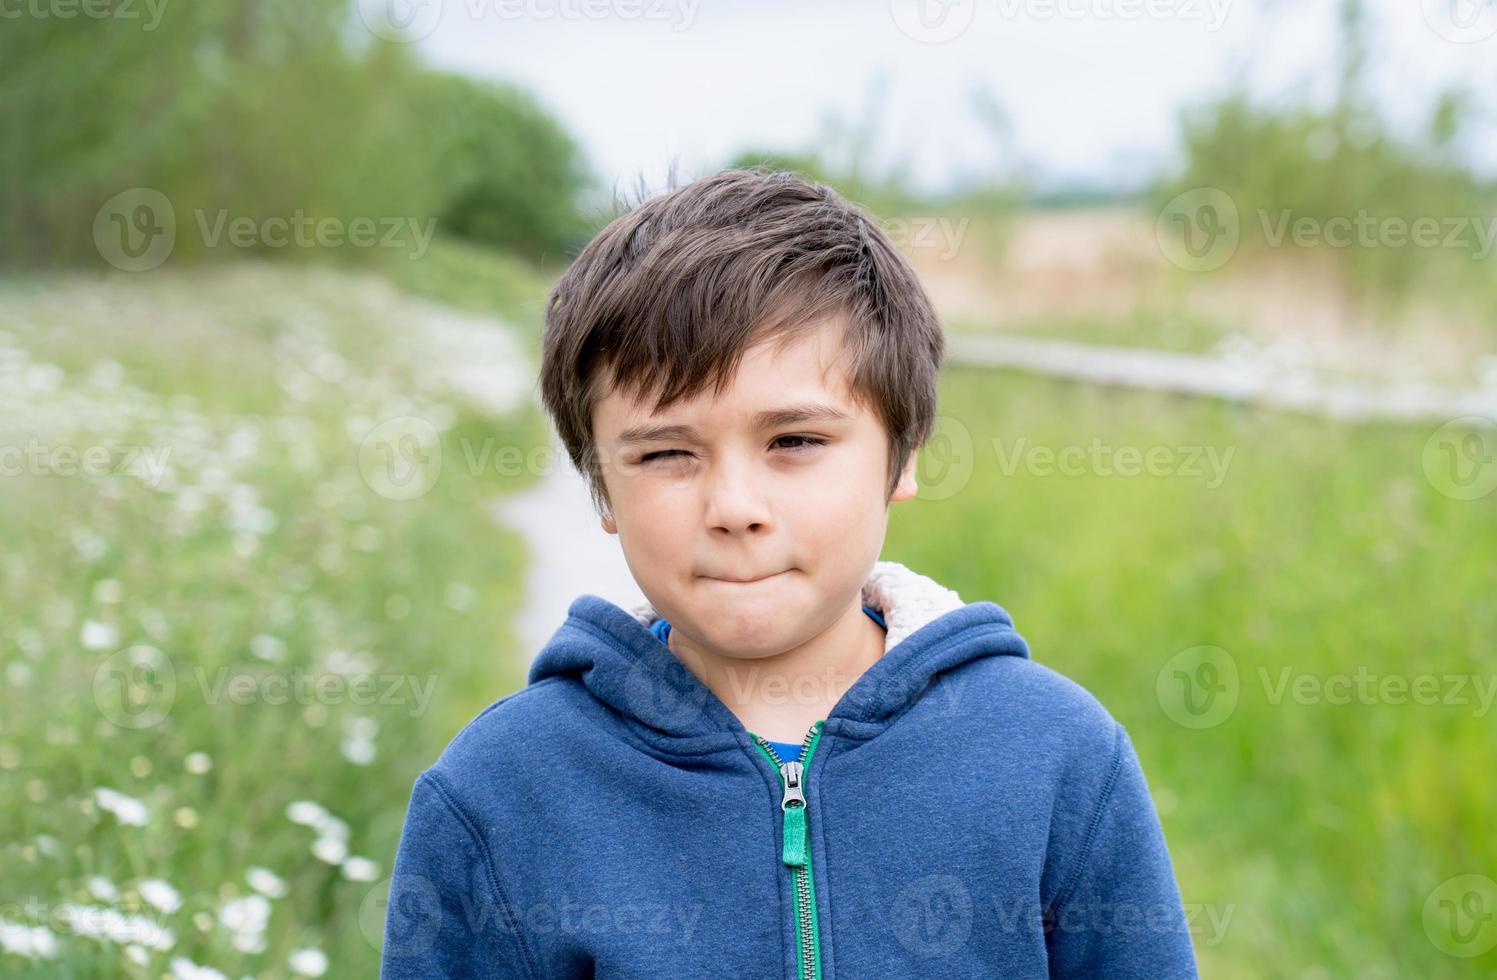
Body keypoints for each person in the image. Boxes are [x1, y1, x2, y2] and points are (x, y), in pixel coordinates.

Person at [380, 168, 1199, 978]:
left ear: (903, 453)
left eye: (795, 442)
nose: (735, 506)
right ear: (600, 482)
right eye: (667, 453)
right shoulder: (498, 796)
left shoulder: (1056, 757)